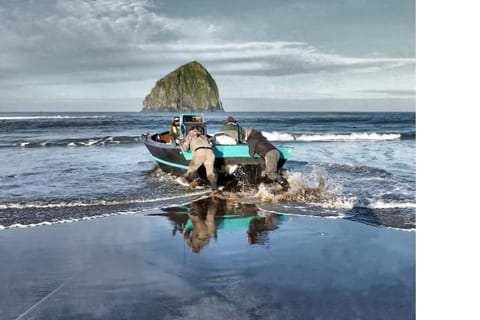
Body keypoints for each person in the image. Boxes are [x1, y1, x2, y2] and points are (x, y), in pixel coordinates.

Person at [182, 126, 218, 192]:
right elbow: (211, 143)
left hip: (200, 152)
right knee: (210, 173)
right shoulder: (204, 137)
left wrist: (184, 144)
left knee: (191, 171)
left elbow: (185, 148)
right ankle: (215, 189)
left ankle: (197, 183)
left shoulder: (190, 135)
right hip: (210, 152)